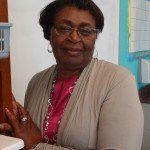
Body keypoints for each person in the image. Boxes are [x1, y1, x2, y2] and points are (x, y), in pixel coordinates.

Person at [0, 0, 144, 149]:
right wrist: (15, 138)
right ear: (49, 33)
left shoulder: (118, 81)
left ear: (95, 37)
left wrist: (37, 146)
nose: (74, 38)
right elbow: (26, 137)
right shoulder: (36, 82)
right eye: (64, 28)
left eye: (86, 31)